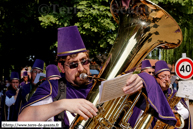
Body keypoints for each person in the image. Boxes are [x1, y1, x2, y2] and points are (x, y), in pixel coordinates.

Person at [18, 26, 177, 128]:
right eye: (73, 64)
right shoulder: (52, 87)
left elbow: (143, 107)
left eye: (84, 61)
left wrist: (141, 80)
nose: (81, 68)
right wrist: (62, 104)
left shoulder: (105, 86)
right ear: (61, 67)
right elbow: (23, 120)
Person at [152, 60, 191, 129]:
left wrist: (175, 113)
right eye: (163, 76)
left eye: (169, 76)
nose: (167, 79)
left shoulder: (173, 93)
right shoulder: (150, 93)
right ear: (155, 78)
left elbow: (186, 112)